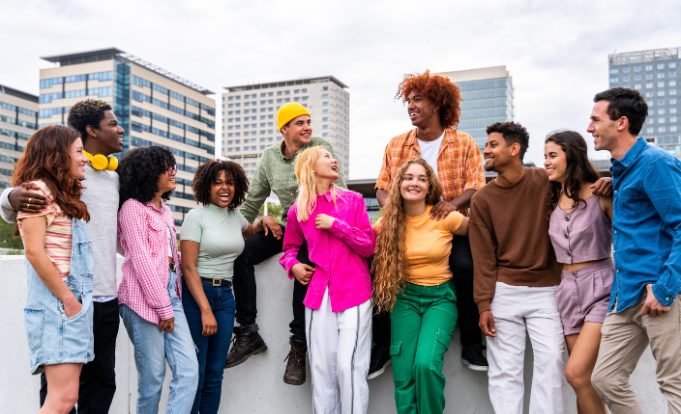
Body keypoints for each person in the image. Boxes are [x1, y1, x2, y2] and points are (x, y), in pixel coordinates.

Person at [1, 99, 123, 413]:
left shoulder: (103, 180)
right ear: (90, 131)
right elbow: (33, 246)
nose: (120, 129)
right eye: (112, 123)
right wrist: (10, 196)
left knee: (92, 386)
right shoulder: (44, 189)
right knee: (60, 398)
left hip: (100, 297)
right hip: (65, 300)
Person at [373, 71, 486, 377]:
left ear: (437, 103)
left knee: (465, 265)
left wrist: (453, 204)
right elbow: (382, 186)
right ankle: (380, 346)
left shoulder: (462, 142)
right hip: (404, 224)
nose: (411, 106)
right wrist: (395, 211)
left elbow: (476, 184)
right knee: (378, 266)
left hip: (448, 222)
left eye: (418, 100)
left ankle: (472, 343)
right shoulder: (397, 144)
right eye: (408, 100)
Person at [227, 102, 345, 386]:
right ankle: (248, 331)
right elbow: (252, 202)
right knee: (239, 253)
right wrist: (226, 233)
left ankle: (298, 345)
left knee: (302, 269)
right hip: (290, 223)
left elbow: (338, 189)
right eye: (300, 123)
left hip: (318, 227)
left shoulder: (318, 147)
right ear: (284, 129)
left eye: (308, 121)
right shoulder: (269, 158)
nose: (307, 127)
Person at [587, 87, 681, 413]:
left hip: (659, 291)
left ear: (621, 123)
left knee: (675, 384)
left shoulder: (656, 164)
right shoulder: (623, 170)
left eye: (595, 120)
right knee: (605, 379)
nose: (590, 128)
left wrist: (666, 288)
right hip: (625, 295)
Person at [469, 122, 565, 414]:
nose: (486, 149)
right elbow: (483, 258)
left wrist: (604, 184)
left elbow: (579, 187)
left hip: (547, 290)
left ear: (514, 149)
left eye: (493, 145)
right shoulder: (482, 199)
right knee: (504, 372)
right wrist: (484, 304)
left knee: (551, 361)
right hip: (503, 292)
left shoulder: (545, 181)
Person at [279, 146, 374, 413]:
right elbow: (289, 249)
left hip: (354, 292)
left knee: (349, 367)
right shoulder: (297, 211)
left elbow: (368, 246)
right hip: (318, 297)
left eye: (333, 157)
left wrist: (337, 226)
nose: (334, 160)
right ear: (310, 167)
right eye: (326, 157)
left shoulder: (353, 201)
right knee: (321, 371)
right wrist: (294, 266)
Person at [373, 159, 468, 414]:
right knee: (404, 372)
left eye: (422, 179)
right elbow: (361, 241)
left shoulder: (445, 217)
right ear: (399, 184)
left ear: (429, 187)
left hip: (440, 298)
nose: (414, 183)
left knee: (425, 365)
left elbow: (481, 233)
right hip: (404, 297)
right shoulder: (388, 223)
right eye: (408, 177)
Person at [181, 159, 272, 414]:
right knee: (196, 371)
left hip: (226, 297)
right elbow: (188, 268)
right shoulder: (195, 217)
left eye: (230, 183)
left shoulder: (235, 216)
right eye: (218, 182)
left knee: (215, 371)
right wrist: (205, 310)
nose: (225, 188)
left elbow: (247, 232)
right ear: (206, 186)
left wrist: (263, 222)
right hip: (199, 294)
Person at [12, 125, 92, 414]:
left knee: (66, 397)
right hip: (57, 304)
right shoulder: (38, 191)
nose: (85, 158)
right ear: (58, 156)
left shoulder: (61, 195)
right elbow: (34, 251)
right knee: (61, 400)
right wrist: (69, 300)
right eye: (79, 152)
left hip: (68, 304)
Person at [117, 146, 198, 414]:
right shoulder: (131, 209)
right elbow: (140, 260)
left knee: (188, 370)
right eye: (166, 166)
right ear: (149, 172)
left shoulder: (164, 211)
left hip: (170, 294)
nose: (173, 171)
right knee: (151, 381)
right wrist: (162, 306)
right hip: (141, 299)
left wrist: (169, 301)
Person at [544, 130, 612, 414]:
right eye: (544, 156)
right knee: (583, 381)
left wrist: (614, 181)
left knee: (576, 373)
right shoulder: (551, 195)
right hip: (567, 291)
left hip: (602, 287)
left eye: (552, 156)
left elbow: (632, 229)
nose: (546, 162)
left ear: (570, 155)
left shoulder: (601, 192)